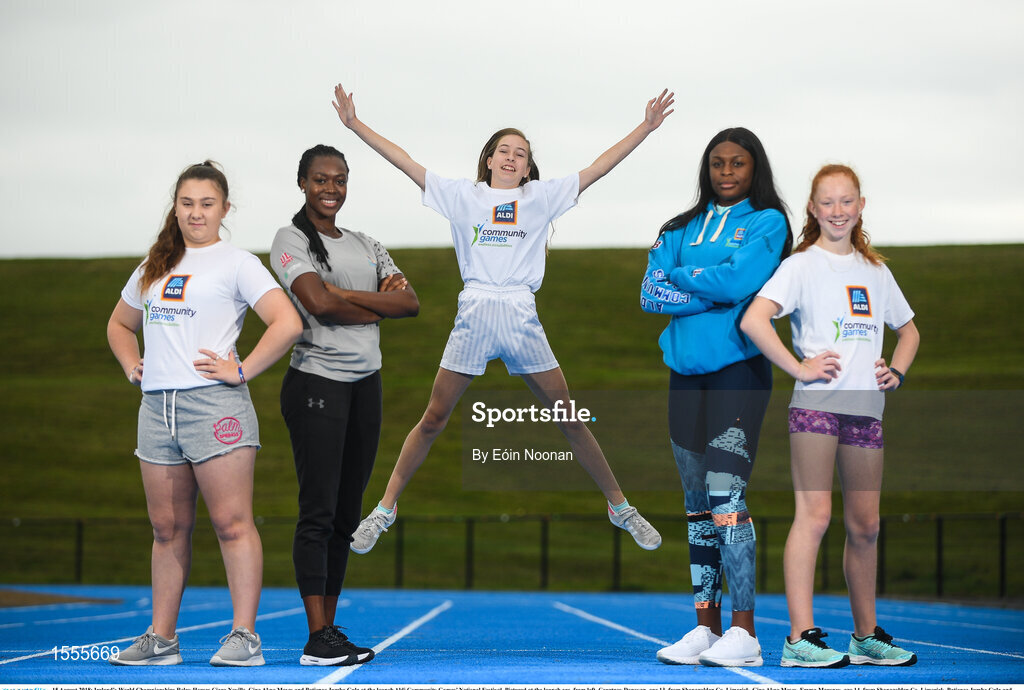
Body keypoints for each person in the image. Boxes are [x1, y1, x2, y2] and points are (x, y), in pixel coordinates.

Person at [331, 82, 673, 554]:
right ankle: (384, 511)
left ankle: (621, 507)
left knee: (569, 418)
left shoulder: (542, 197)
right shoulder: (462, 196)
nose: (512, 158)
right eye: (505, 151)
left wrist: (646, 127)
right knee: (433, 418)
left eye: (521, 154)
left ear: (528, 168)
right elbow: (404, 161)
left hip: (519, 313)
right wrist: (354, 125)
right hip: (474, 312)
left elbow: (599, 166)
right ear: (489, 159)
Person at [106, 161, 302, 667]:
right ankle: (162, 640)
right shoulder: (153, 265)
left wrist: (242, 369)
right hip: (157, 409)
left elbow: (286, 322)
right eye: (187, 203)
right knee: (166, 529)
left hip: (215, 406)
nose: (196, 213)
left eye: (207, 204)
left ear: (224, 209)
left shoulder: (238, 264)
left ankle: (245, 638)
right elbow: (119, 325)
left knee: (232, 524)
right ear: (175, 208)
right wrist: (132, 365)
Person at [741, 164, 920, 668]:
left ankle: (865, 638)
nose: (837, 211)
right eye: (828, 202)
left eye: (847, 201)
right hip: (816, 408)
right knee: (815, 517)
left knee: (866, 526)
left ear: (861, 206)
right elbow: (755, 320)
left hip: (866, 411)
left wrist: (897, 371)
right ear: (813, 209)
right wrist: (800, 366)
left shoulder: (876, 272)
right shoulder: (801, 266)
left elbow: (909, 332)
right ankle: (800, 640)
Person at [641, 128, 792, 667]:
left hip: (738, 374)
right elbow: (650, 292)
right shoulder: (679, 227)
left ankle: (744, 633)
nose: (726, 172)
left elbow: (738, 282)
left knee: (726, 498)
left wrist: (684, 278)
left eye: (738, 163)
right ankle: (706, 628)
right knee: (697, 506)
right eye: (718, 163)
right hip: (684, 376)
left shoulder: (767, 223)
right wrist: (711, 289)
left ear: (755, 169)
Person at [271, 145, 419, 665]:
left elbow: (410, 303)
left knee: (346, 515)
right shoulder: (290, 239)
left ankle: (329, 632)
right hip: (316, 383)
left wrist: (348, 298)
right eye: (320, 179)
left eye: (339, 180)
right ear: (303, 182)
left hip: (365, 386)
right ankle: (316, 634)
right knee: (318, 510)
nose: (330, 189)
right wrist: (375, 307)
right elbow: (317, 303)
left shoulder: (366, 243)